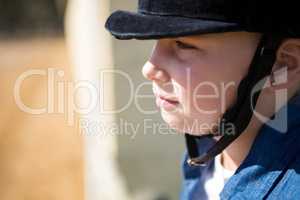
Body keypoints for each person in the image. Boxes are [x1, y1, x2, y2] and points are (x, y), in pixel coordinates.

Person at [105, 0, 300, 199]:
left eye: (183, 44)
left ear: (283, 65)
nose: (149, 69)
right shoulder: (206, 159)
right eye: (156, 41)